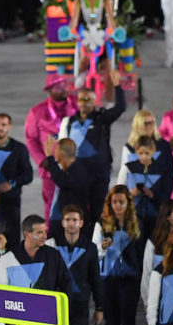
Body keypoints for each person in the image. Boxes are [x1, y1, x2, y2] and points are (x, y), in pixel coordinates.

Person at [46, 205, 102, 325]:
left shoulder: (90, 247)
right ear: (62, 223)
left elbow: (95, 278)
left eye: (74, 220)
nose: (71, 224)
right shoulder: (51, 245)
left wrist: (99, 307)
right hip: (56, 308)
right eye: (67, 220)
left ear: (81, 223)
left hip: (79, 306)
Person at [59, 75, 127, 226]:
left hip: (99, 175)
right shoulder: (69, 122)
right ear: (77, 102)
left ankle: (97, 245)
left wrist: (117, 87)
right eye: (82, 99)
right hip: (76, 176)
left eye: (89, 99)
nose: (85, 103)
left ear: (95, 101)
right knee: (79, 212)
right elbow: (61, 147)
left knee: (99, 212)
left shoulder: (102, 118)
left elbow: (120, 107)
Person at [93, 185, 144, 325]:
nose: (118, 206)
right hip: (108, 280)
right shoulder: (102, 223)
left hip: (130, 280)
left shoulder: (137, 223)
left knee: (128, 323)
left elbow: (143, 253)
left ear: (128, 203)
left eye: (122, 202)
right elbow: (94, 252)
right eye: (114, 202)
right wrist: (102, 248)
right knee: (111, 323)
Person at [0, 215, 72, 325]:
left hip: (48, 324)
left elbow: (67, 286)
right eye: (39, 232)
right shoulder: (7, 259)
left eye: (45, 231)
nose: (45, 236)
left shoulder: (54, 255)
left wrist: (59, 320)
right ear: (26, 234)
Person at [25, 74, 78, 224]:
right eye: (57, 86)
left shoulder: (76, 106)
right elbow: (31, 139)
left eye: (63, 85)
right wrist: (43, 161)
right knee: (51, 203)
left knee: (77, 202)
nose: (62, 89)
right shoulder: (37, 112)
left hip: (74, 166)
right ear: (49, 90)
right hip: (50, 168)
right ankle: (50, 235)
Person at [0, 113, 34, 246]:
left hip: (11, 203)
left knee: (11, 239)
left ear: (9, 127)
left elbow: (28, 175)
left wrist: (12, 183)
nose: (0, 128)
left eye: (3, 124)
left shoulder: (19, 149)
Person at [116, 135, 173, 239]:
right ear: (136, 151)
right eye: (140, 153)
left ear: (153, 151)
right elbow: (117, 192)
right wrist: (130, 193)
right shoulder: (128, 167)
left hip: (155, 216)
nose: (143, 157)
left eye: (147, 153)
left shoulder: (162, 169)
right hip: (133, 216)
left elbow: (166, 194)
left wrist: (152, 195)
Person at [42, 138, 91, 238]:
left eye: (56, 151)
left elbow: (61, 180)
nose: (55, 155)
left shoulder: (78, 171)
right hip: (65, 222)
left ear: (61, 154)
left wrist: (50, 157)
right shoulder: (73, 170)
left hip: (71, 226)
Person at [116, 109, 173, 187]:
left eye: (151, 122)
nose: (149, 126)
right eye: (146, 123)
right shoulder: (129, 147)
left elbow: (169, 173)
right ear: (138, 125)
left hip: (159, 193)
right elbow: (124, 172)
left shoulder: (164, 146)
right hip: (134, 192)